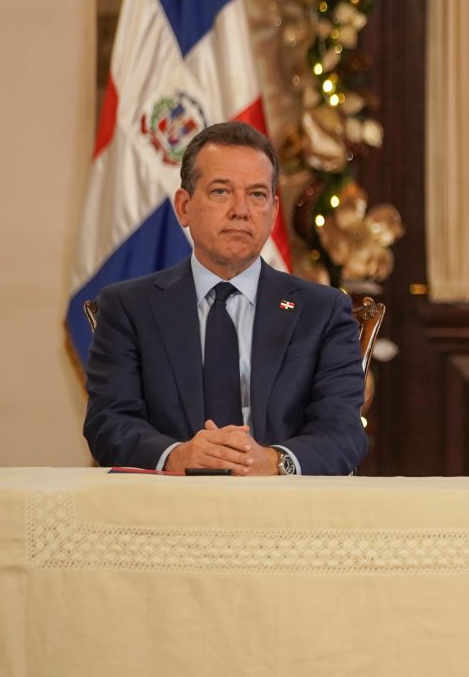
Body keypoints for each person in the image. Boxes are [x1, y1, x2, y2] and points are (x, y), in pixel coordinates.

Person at [84, 122, 366, 475]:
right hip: (169, 501)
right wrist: (174, 456)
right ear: (184, 207)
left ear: (273, 211)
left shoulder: (322, 311)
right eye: (221, 191)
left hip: (281, 502)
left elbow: (343, 432)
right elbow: (108, 421)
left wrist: (274, 462)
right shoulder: (129, 307)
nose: (241, 210)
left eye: (257, 195)